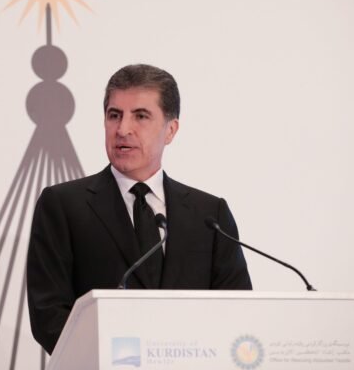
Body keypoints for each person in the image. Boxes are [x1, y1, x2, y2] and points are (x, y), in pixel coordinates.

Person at [26, 64, 252, 354]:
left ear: (171, 130)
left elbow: (237, 311)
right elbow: (48, 314)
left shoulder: (210, 215)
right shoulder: (63, 205)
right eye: (114, 115)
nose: (122, 129)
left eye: (140, 116)